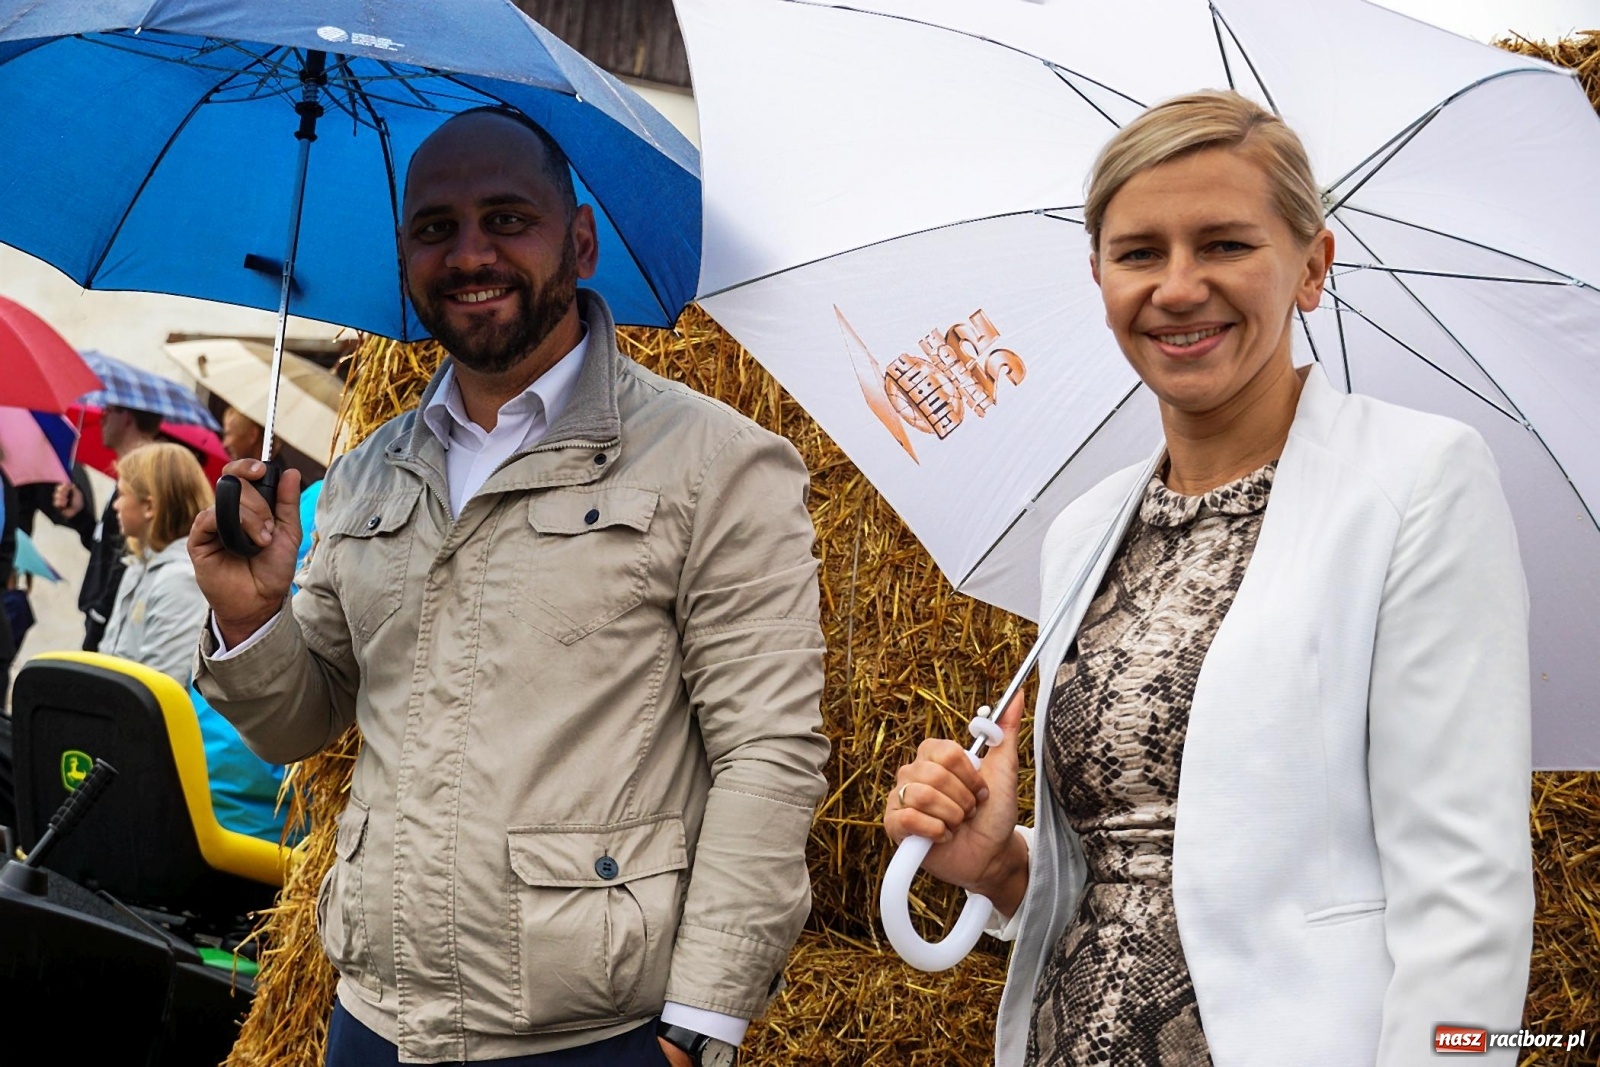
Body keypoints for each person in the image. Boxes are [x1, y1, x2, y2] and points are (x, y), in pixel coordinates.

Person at [884, 91, 1533, 1067]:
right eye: (1138, 252)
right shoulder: (1085, 532)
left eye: (1225, 244)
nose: (1177, 287)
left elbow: (1467, 895)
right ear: (1098, 276)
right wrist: (1007, 867)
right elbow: (1128, 875)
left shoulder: (1413, 483)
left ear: (1311, 266)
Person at [190, 107, 828, 1067]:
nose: (470, 253)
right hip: (372, 1020)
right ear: (406, 253)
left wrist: (704, 1022)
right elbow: (300, 723)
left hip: (591, 1037)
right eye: (436, 228)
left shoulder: (714, 465)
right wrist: (251, 618)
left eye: (506, 218)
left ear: (579, 241)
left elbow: (768, 754)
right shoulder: (369, 473)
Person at [52, 403, 163, 650]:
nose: (101, 419)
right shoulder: (126, 474)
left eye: (109, 411)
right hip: (102, 618)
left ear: (128, 418)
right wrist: (80, 517)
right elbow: (108, 546)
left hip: (111, 625)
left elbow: (129, 557)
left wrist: (99, 618)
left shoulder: (144, 476)